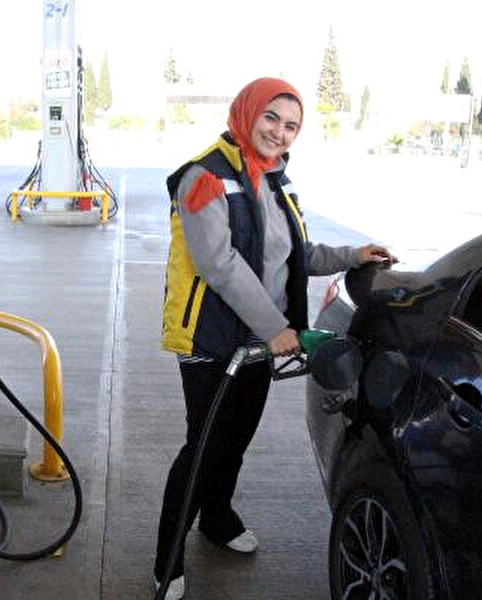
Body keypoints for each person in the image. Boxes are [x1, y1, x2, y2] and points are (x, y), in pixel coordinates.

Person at [154, 77, 395, 599]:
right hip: (211, 339)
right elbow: (218, 264)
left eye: (291, 126)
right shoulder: (205, 178)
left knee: (235, 440)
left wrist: (354, 256)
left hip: (260, 341)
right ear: (247, 112)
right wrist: (277, 329)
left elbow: (295, 254)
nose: (279, 133)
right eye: (271, 118)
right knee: (204, 447)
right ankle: (167, 559)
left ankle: (216, 519)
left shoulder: (277, 181)